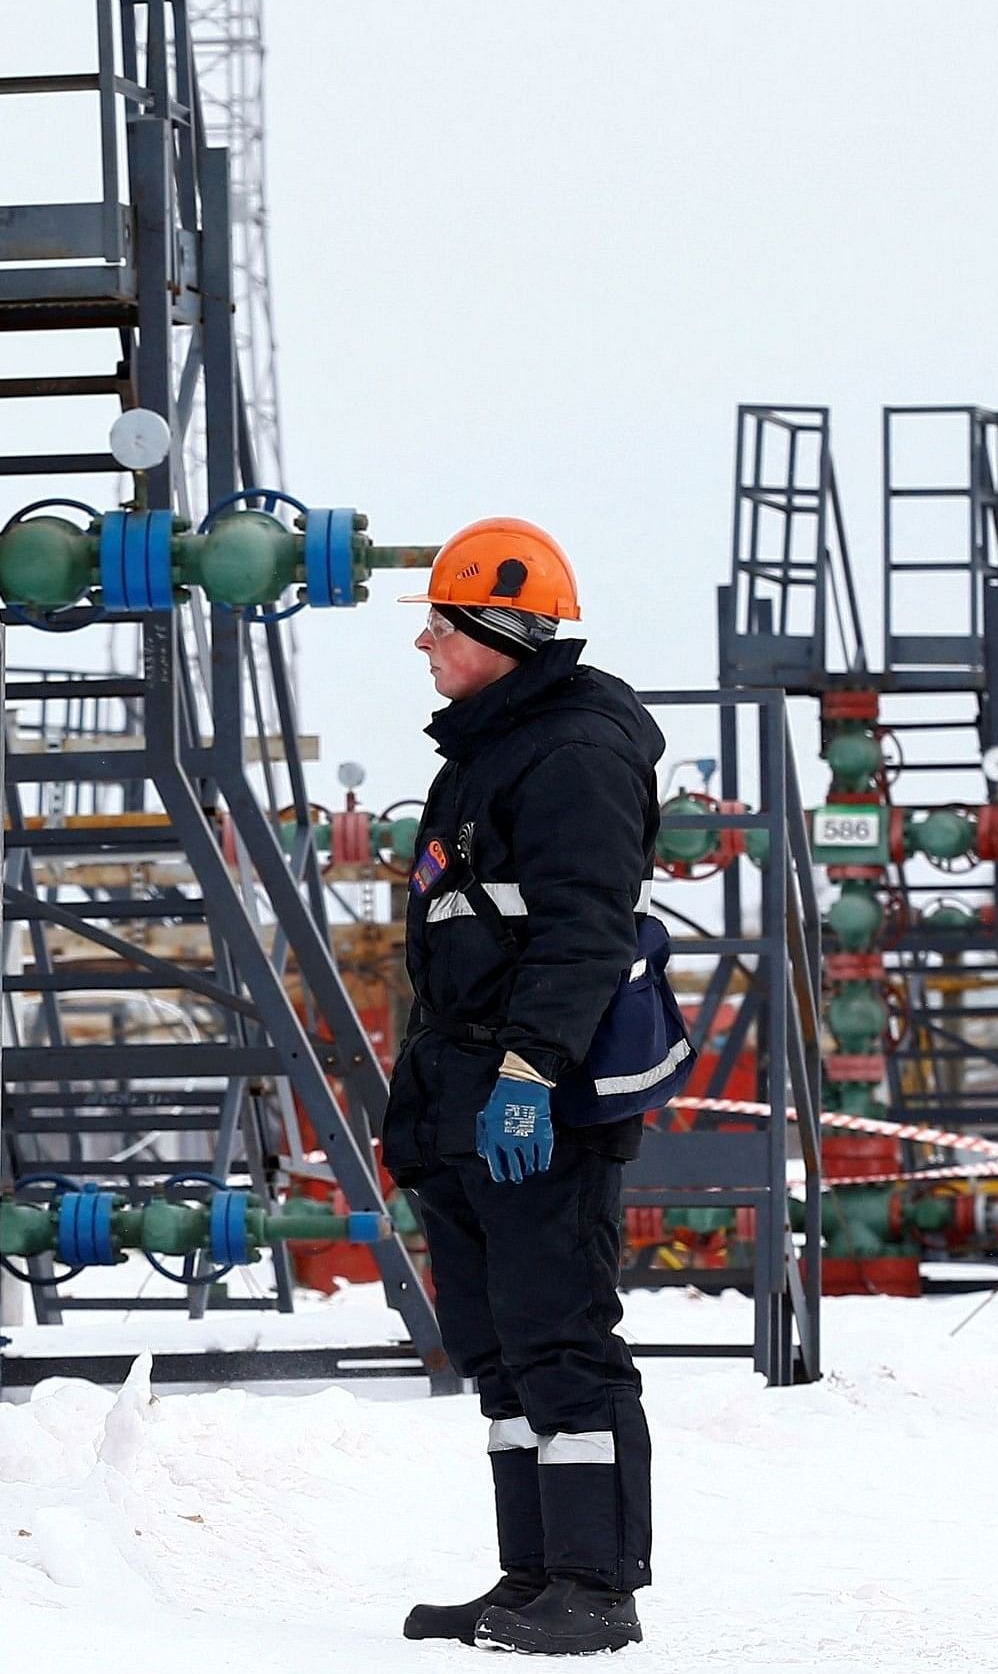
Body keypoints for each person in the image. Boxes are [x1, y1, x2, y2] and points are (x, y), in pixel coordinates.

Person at [381, 519, 659, 1655]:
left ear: (493, 629)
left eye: (439, 624)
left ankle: (594, 1589)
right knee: (495, 1347)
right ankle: (527, 1575)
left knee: (559, 1337)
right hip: (463, 1095)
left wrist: (526, 1071)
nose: (423, 644)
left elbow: (583, 931)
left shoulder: (574, 753)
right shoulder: (484, 749)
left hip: (530, 1097)